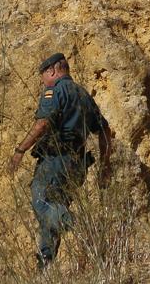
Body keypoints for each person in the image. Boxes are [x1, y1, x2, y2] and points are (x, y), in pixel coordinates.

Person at [7, 52, 113, 270]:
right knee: (52, 213)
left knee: (41, 201)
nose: (43, 81)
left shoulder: (55, 91)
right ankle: (45, 263)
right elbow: (104, 130)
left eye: (43, 76)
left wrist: (20, 150)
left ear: (52, 71)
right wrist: (105, 164)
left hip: (55, 159)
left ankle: (74, 223)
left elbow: (42, 124)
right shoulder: (84, 94)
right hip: (76, 164)